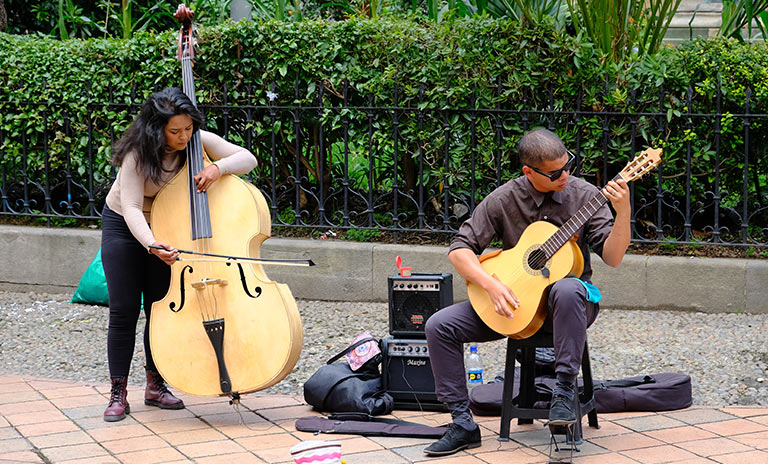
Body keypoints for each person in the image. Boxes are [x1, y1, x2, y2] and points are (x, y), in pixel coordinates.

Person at [423, 128, 631, 456]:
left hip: (572, 306)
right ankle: (462, 422)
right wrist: (491, 286)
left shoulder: (586, 196)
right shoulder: (505, 198)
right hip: (517, 306)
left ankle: (563, 395)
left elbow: (614, 257)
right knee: (439, 325)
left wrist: (624, 212)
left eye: (568, 166)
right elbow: (459, 249)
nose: (565, 175)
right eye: (554, 172)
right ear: (529, 172)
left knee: (566, 288)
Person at [100, 87, 258, 422]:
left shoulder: (196, 139)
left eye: (188, 128)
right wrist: (151, 244)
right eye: (175, 131)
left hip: (168, 225)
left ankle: (155, 385)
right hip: (126, 228)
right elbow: (129, 207)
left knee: (159, 307)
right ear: (157, 129)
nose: (184, 136)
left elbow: (248, 159)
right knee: (125, 310)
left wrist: (219, 168)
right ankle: (118, 392)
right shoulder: (138, 154)